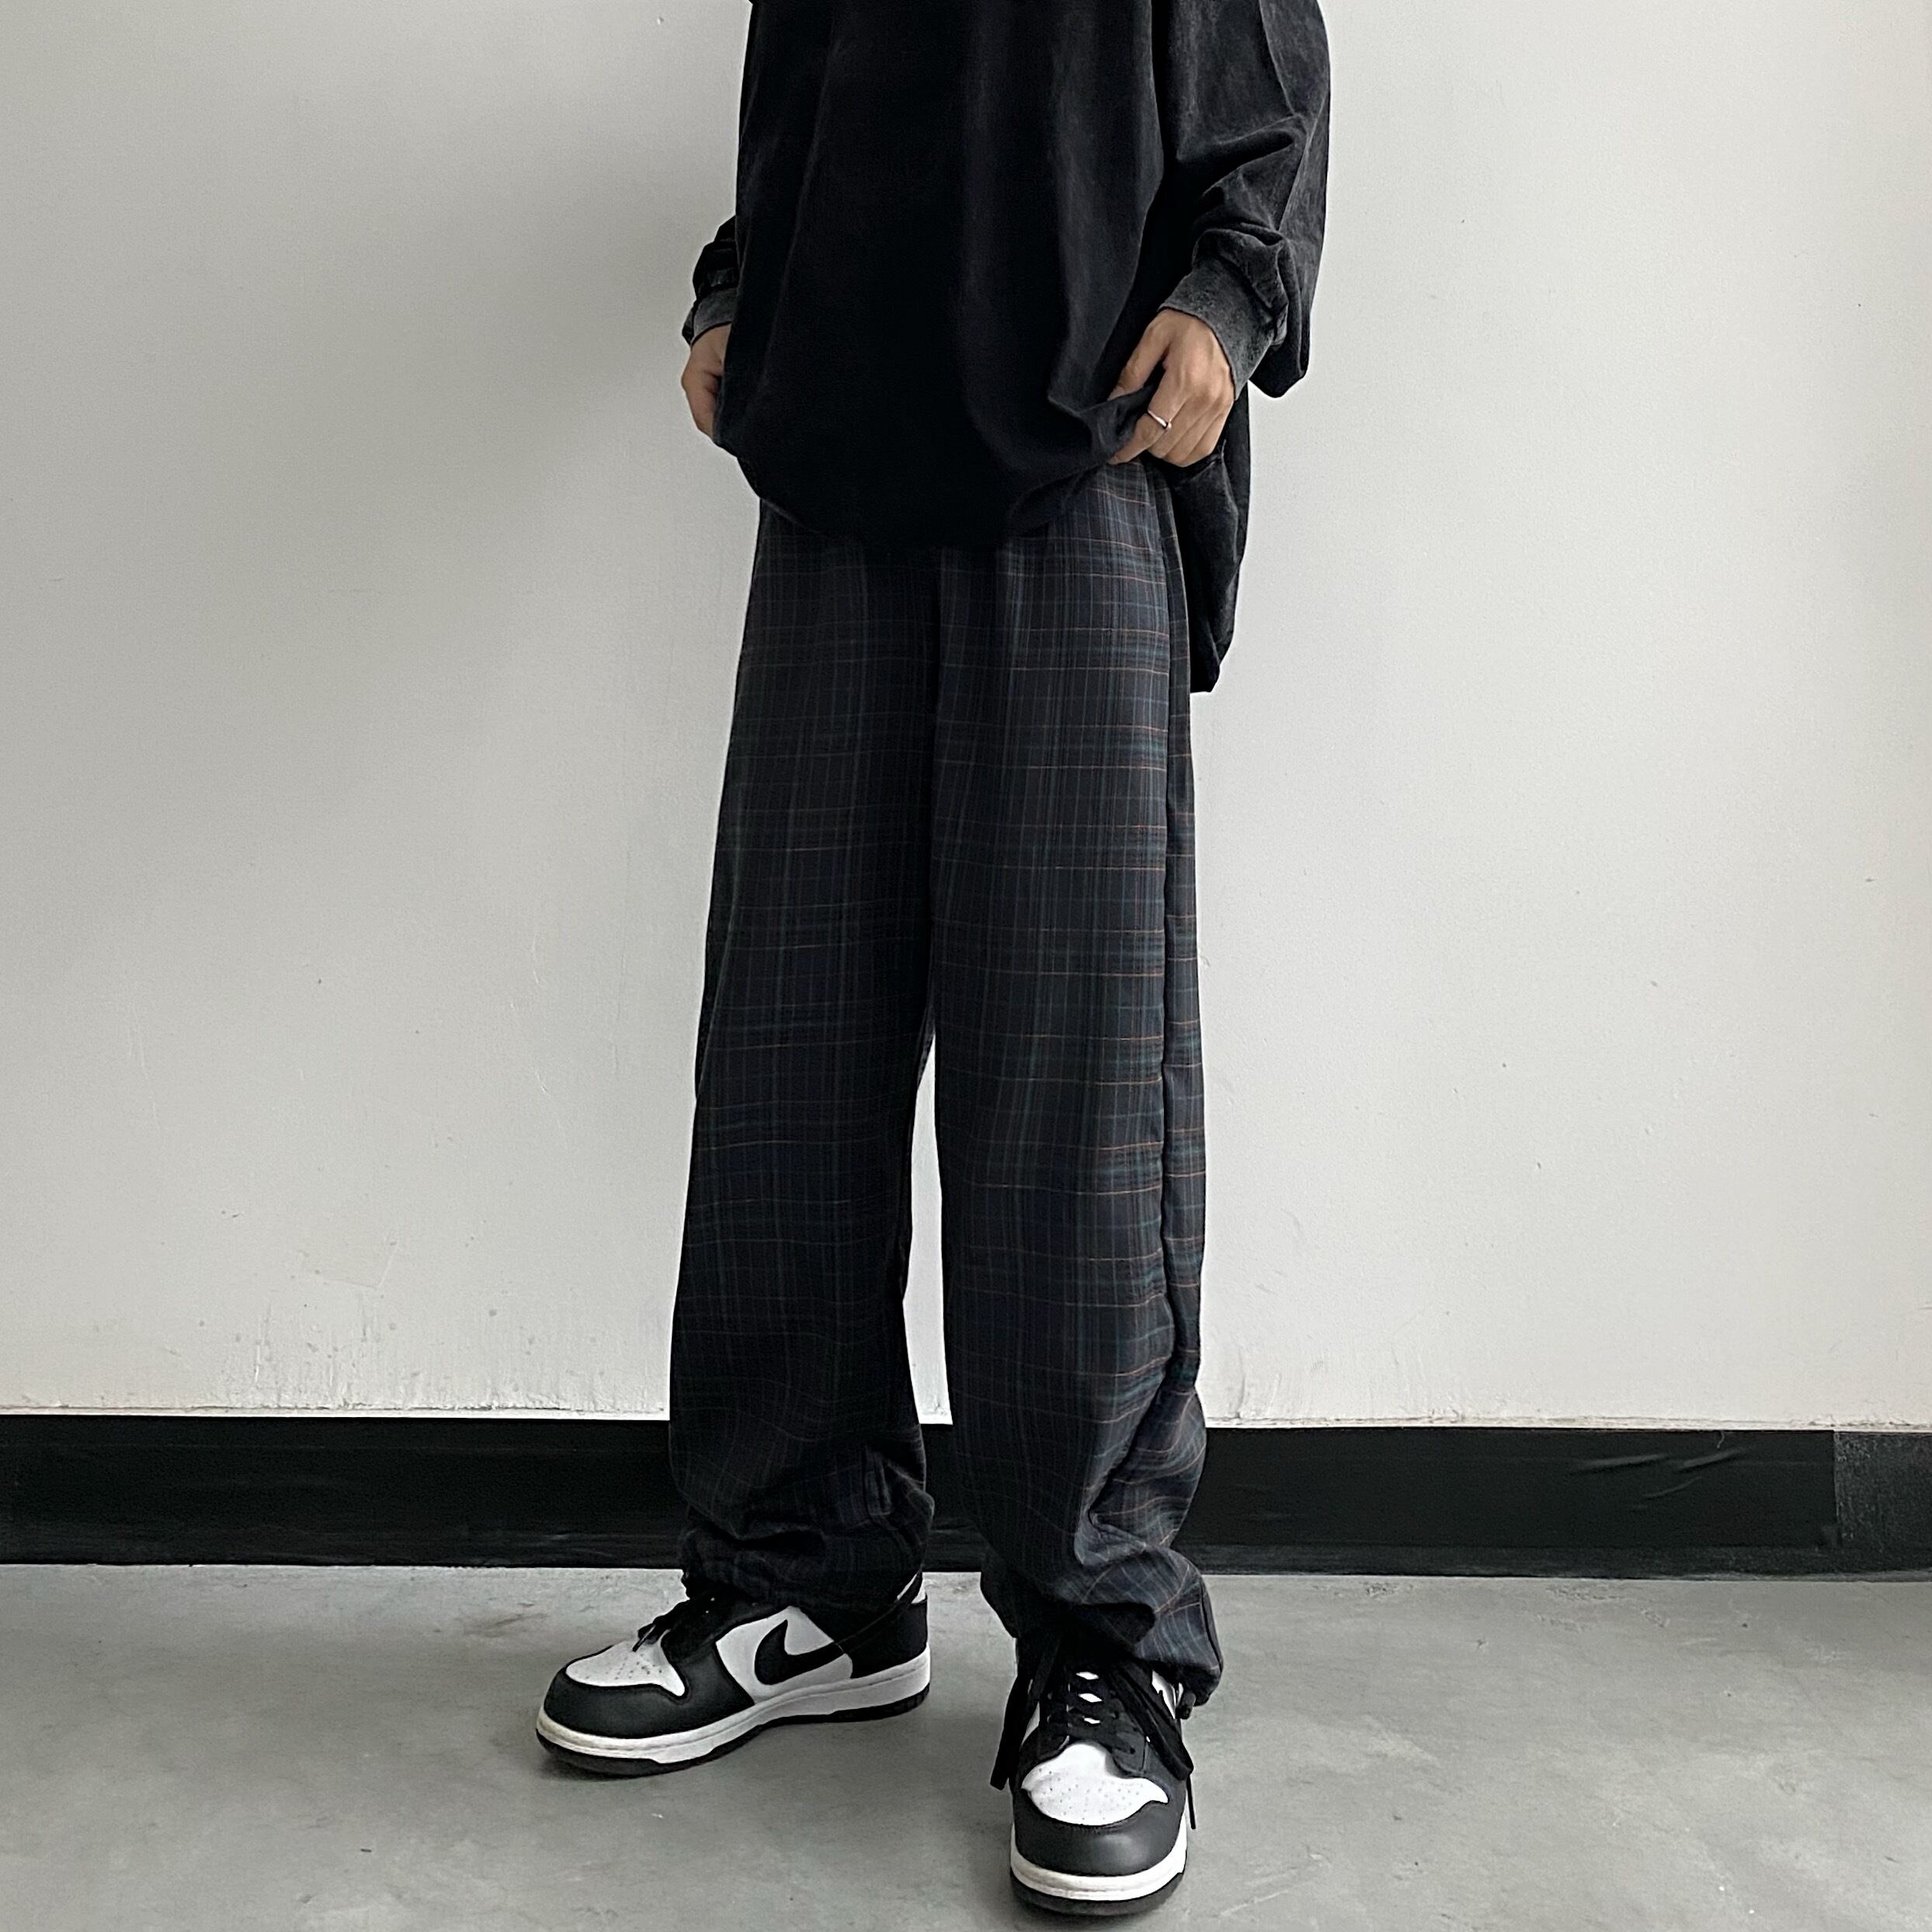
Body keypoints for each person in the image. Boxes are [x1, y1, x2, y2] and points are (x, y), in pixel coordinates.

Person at [536, 2, 1331, 1914]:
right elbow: (811, 109)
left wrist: (1227, 298)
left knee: (1069, 1073)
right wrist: (738, 293)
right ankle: (808, 1580)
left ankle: (1103, 1645)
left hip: (1082, 451)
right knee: (786, 1053)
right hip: (836, 473)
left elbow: (1260, 101)